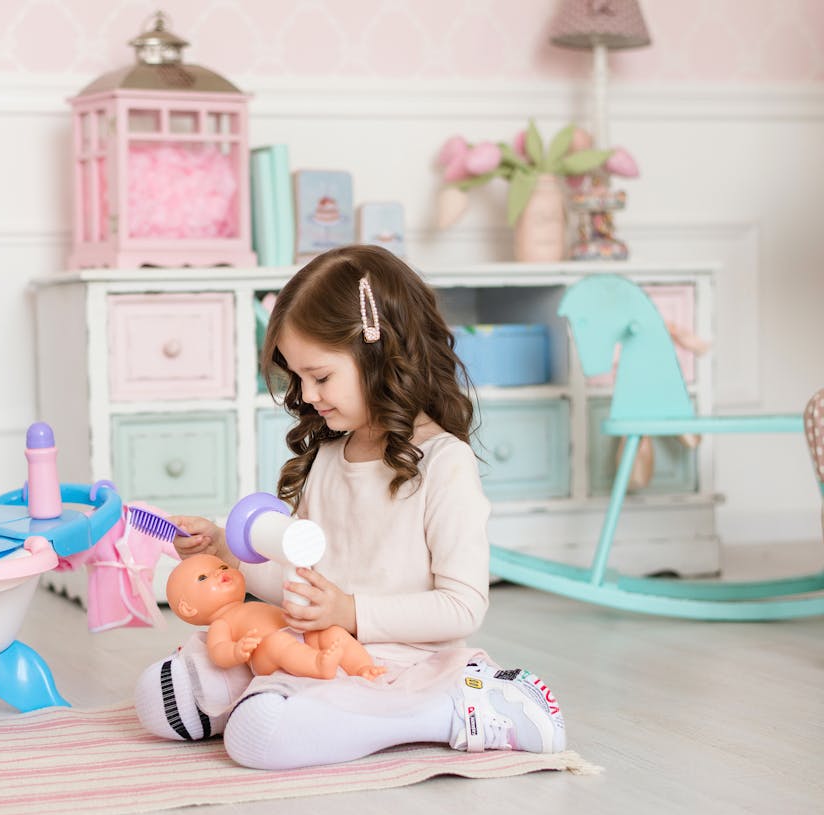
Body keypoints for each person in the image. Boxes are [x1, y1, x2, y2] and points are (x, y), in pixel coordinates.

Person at [133, 244, 566, 769]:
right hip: (314, 646)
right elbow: (302, 588)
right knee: (163, 701)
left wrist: (350, 613)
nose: (308, 394)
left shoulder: (444, 463)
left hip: (396, 663)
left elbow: (462, 607)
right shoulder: (329, 457)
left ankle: (448, 708)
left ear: (379, 354)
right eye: (298, 378)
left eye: (321, 376)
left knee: (261, 736)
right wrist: (225, 548)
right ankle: (291, 703)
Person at [166, 554, 385, 680]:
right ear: (187, 608)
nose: (219, 572)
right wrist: (236, 650)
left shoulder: (250, 605)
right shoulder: (221, 623)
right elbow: (218, 652)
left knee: (330, 632)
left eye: (223, 566)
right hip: (264, 656)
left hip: (296, 635)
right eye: (203, 577)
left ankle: (361, 668)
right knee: (277, 642)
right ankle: (317, 666)